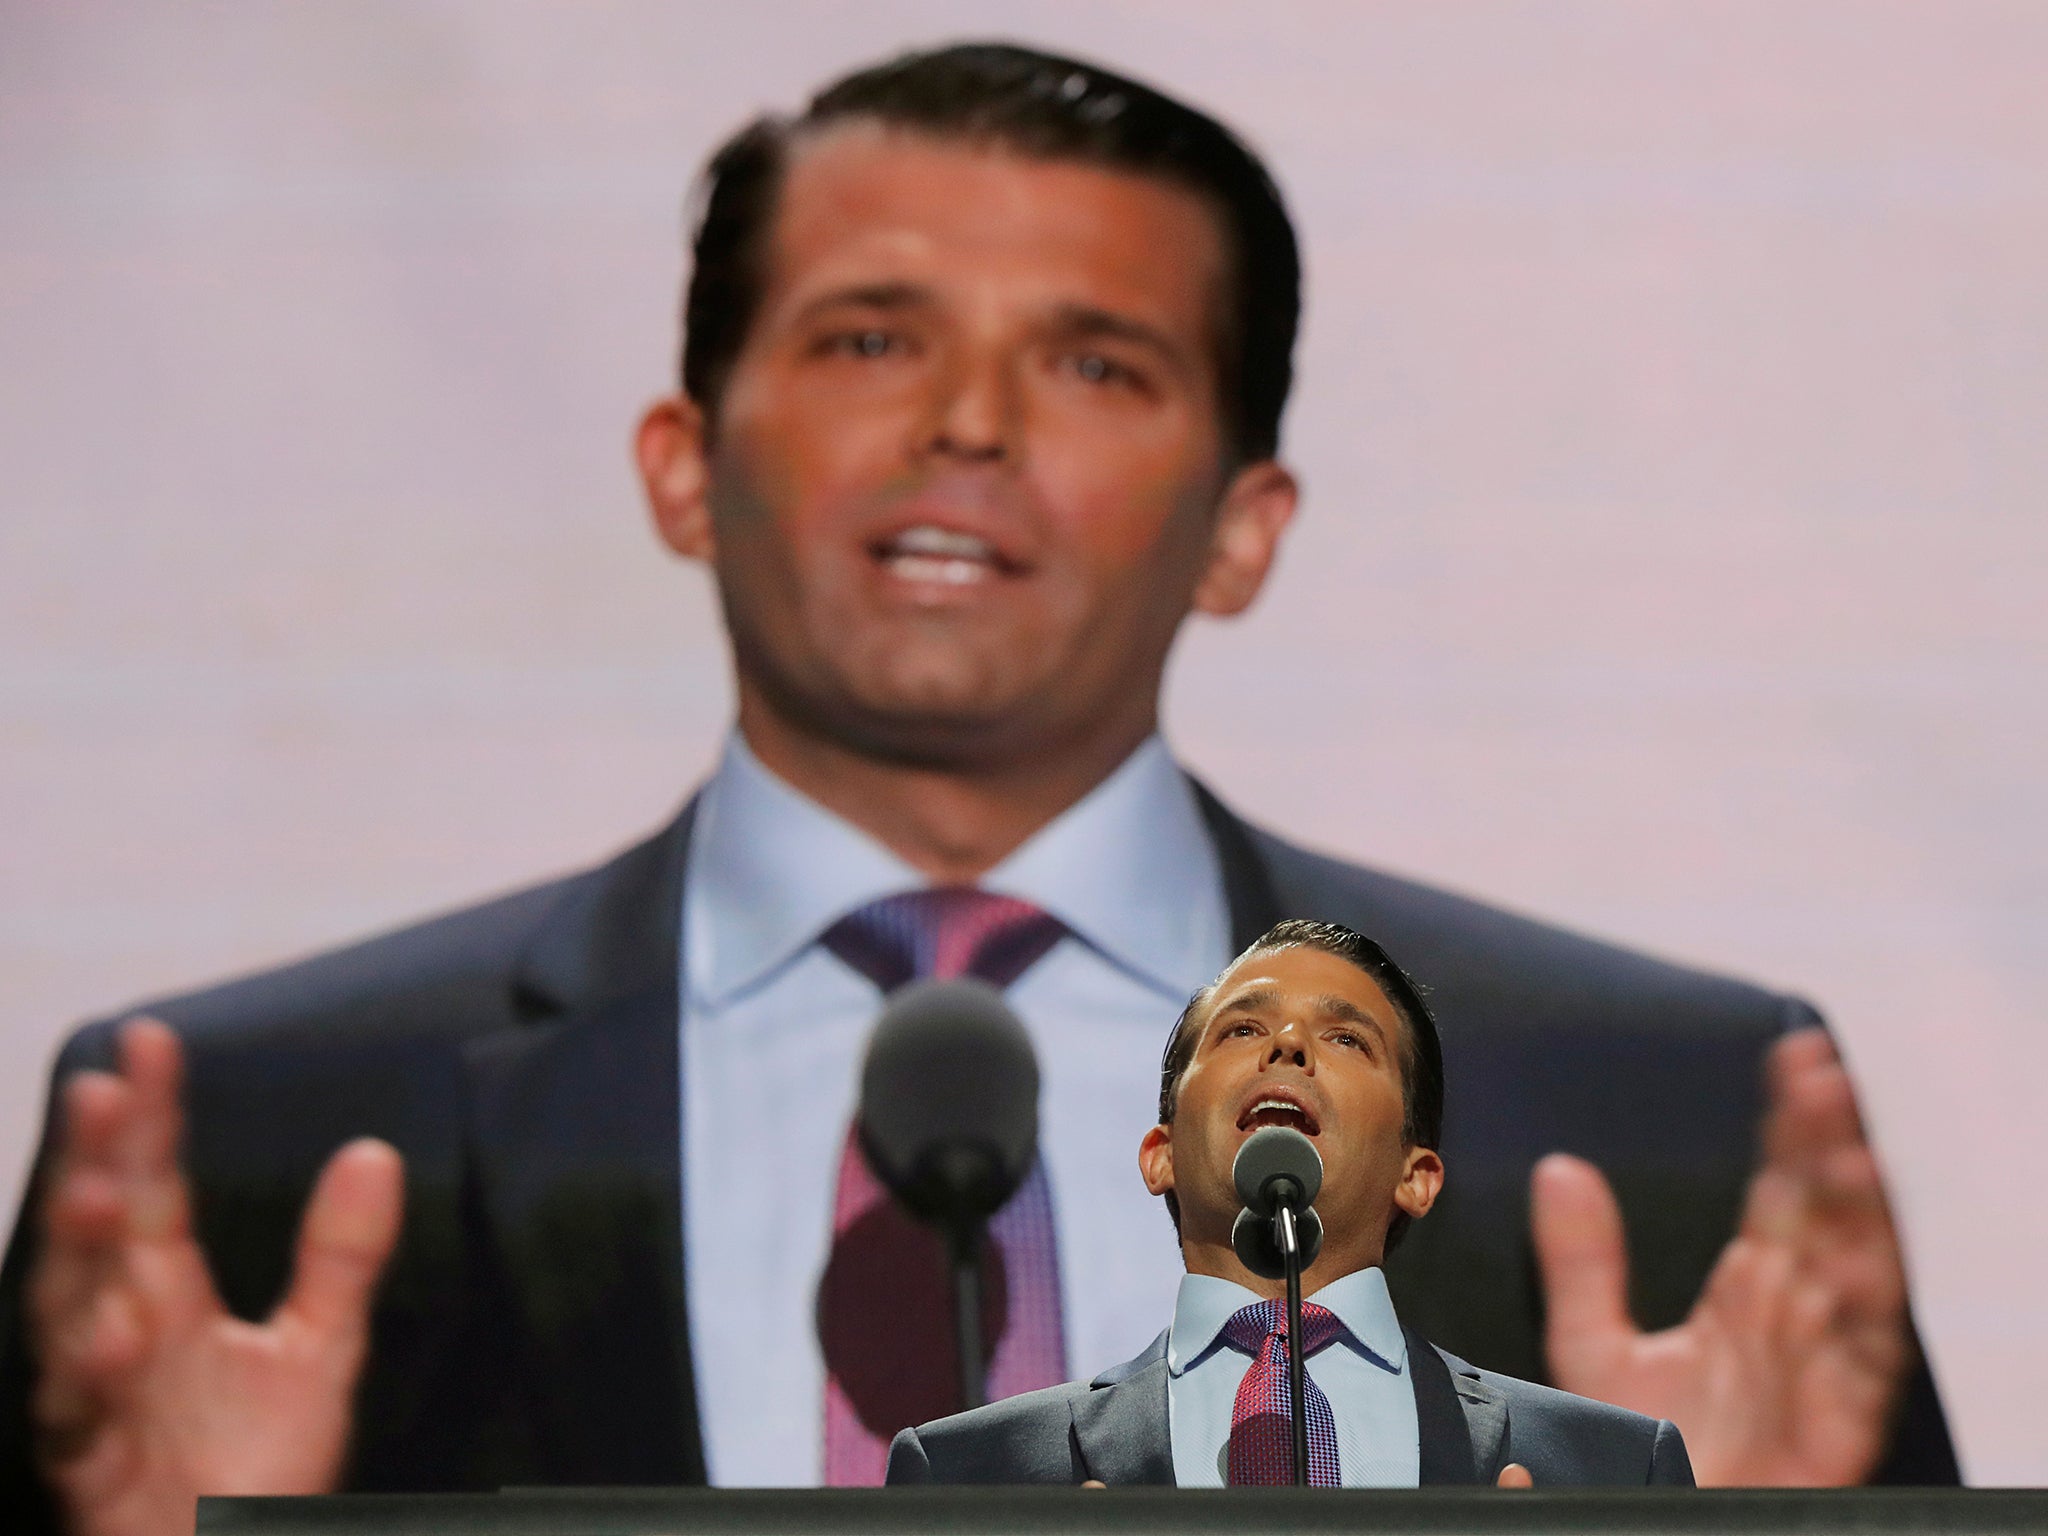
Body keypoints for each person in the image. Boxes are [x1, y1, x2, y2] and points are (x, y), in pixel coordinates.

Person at [0, 40, 1951, 1536]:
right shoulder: (248, 1145)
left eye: (1095, 365)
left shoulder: (1654, 1125)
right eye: (869, 338)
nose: (967, 427)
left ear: (1242, 529)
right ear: (681, 465)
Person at [887, 919, 1694, 1487]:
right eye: (1240, 1031)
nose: (1288, 1047)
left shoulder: (1611, 1472)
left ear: (1417, 1176)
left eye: (1348, 1039)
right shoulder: (976, 1478)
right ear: (1160, 1155)